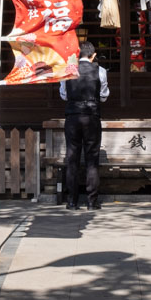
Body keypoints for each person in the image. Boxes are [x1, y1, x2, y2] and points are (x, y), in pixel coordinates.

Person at [59, 41, 110, 210]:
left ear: (77, 54)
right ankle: (91, 201)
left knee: (72, 158)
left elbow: (64, 96)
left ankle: (72, 201)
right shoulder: (100, 71)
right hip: (92, 117)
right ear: (93, 55)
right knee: (91, 159)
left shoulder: (68, 69)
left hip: (73, 116)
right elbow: (103, 96)